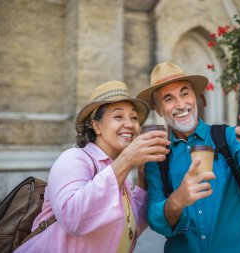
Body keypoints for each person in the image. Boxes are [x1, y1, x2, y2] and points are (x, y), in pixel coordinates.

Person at [136, 62, 240, 253]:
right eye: (169, 99)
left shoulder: (228, 137)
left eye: (185, 93)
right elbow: (157, 222)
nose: (181, 104)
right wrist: (177, 200)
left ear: (195, 97)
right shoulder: (157, 158)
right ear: (158, 110)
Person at [15, 81, 170, 253]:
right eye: (118, 117)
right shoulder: (74, 159)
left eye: (134, 118)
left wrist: (142, 179)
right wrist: (126, 160)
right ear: (96, 126)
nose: (130, 124)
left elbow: (128, 228)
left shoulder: (117, 171)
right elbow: (72, 220)